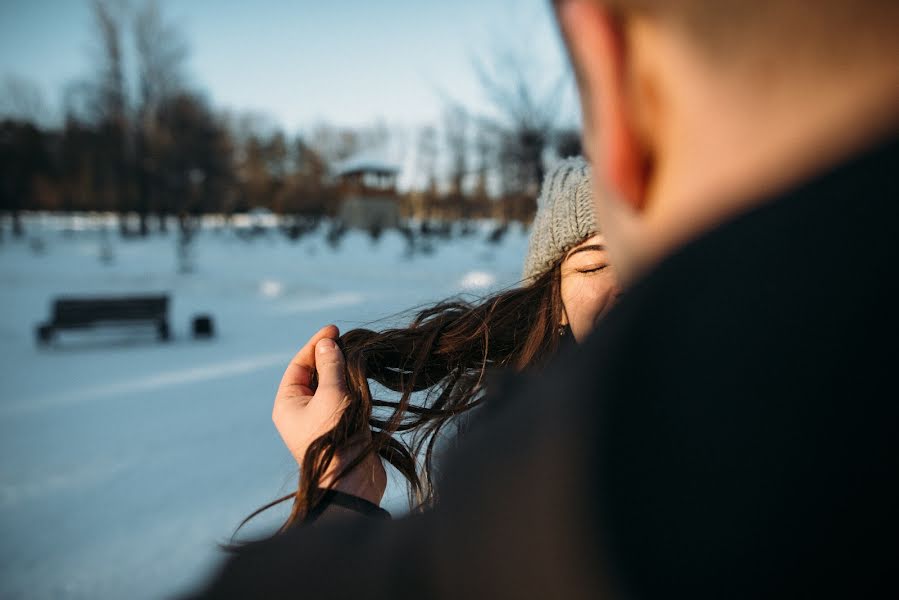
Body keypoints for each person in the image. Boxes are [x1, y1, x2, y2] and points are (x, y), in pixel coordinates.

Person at [191, 1, 899, 598]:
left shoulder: (580, 486)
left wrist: (339, 508)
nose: (626, 286)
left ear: (613, 69)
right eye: (594, 264)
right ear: (551, 293)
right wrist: (346, 480)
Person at [244, 157, 619, 530]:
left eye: (656, 257)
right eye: (595, 265)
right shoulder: (519, 466)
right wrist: (342, 486)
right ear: (555, 303)